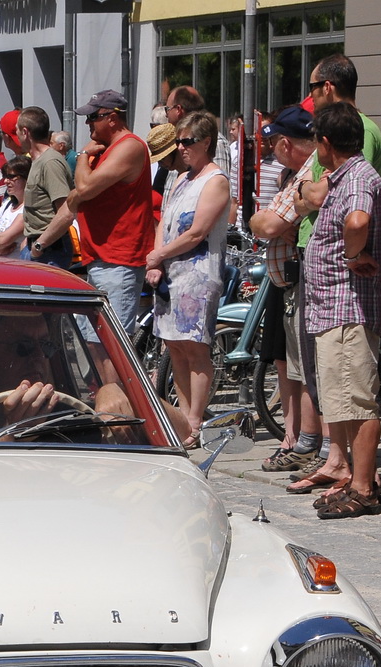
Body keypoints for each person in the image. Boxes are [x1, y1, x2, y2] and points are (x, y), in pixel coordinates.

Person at [302, 101, 381, 520]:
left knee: (359, 398)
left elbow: (357, 221)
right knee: (343, 402)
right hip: (334, 306)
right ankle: (357, 478)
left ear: (325, 142)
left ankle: (364, 487)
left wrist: (354, 255)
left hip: (348, 305)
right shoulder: (344, 176)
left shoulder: (356, 177)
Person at [146, 111, 230, 445]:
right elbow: (164, 223)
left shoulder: (216, 180)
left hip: (198, 274)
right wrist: (156, 261)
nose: (181, 148)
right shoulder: (179, 179)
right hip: (171, 273)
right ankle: (182, 417)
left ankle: (194, 421)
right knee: (175, 348)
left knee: (195, 349)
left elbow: (197, 232)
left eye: (187, 142)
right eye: (178, 142)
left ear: (206, 142)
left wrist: (160, 255)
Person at [250, 106, 321, 475]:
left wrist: (270, 223)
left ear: (287, 143)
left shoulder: (306, 174)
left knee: (304, 367)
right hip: (283, 280)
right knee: (287, 362)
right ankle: (296, 438)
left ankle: (308, 442)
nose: (271, 148)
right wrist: (268, 223)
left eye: (274, 141)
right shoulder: (288, 175)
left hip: (298, 278)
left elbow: (271, 222)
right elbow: (263, 222)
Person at [68, 89, 154, 333]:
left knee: (110, 347)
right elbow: (78, 199)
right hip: (101, 259)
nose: (87, 123)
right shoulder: (106, 150)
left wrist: (82, 155)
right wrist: (41, 243)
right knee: (94, 345)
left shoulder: (129, 147)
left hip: (119, 262)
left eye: (93, 117)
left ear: (112, 118)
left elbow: (84, 189)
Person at [17, 107, 75, 268]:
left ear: (25, 132)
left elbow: (66, 213)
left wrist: (38, 246)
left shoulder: (50, 163)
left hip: (49, 252)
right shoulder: (39, 161)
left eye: (16, 130)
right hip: (38, 247)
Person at [0, 154, 31, 256]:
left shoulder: (28, 209)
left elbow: (3, 240)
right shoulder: (7, 204)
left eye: (11, 177)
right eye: (5, 177)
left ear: (26, 178)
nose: (6, 181)